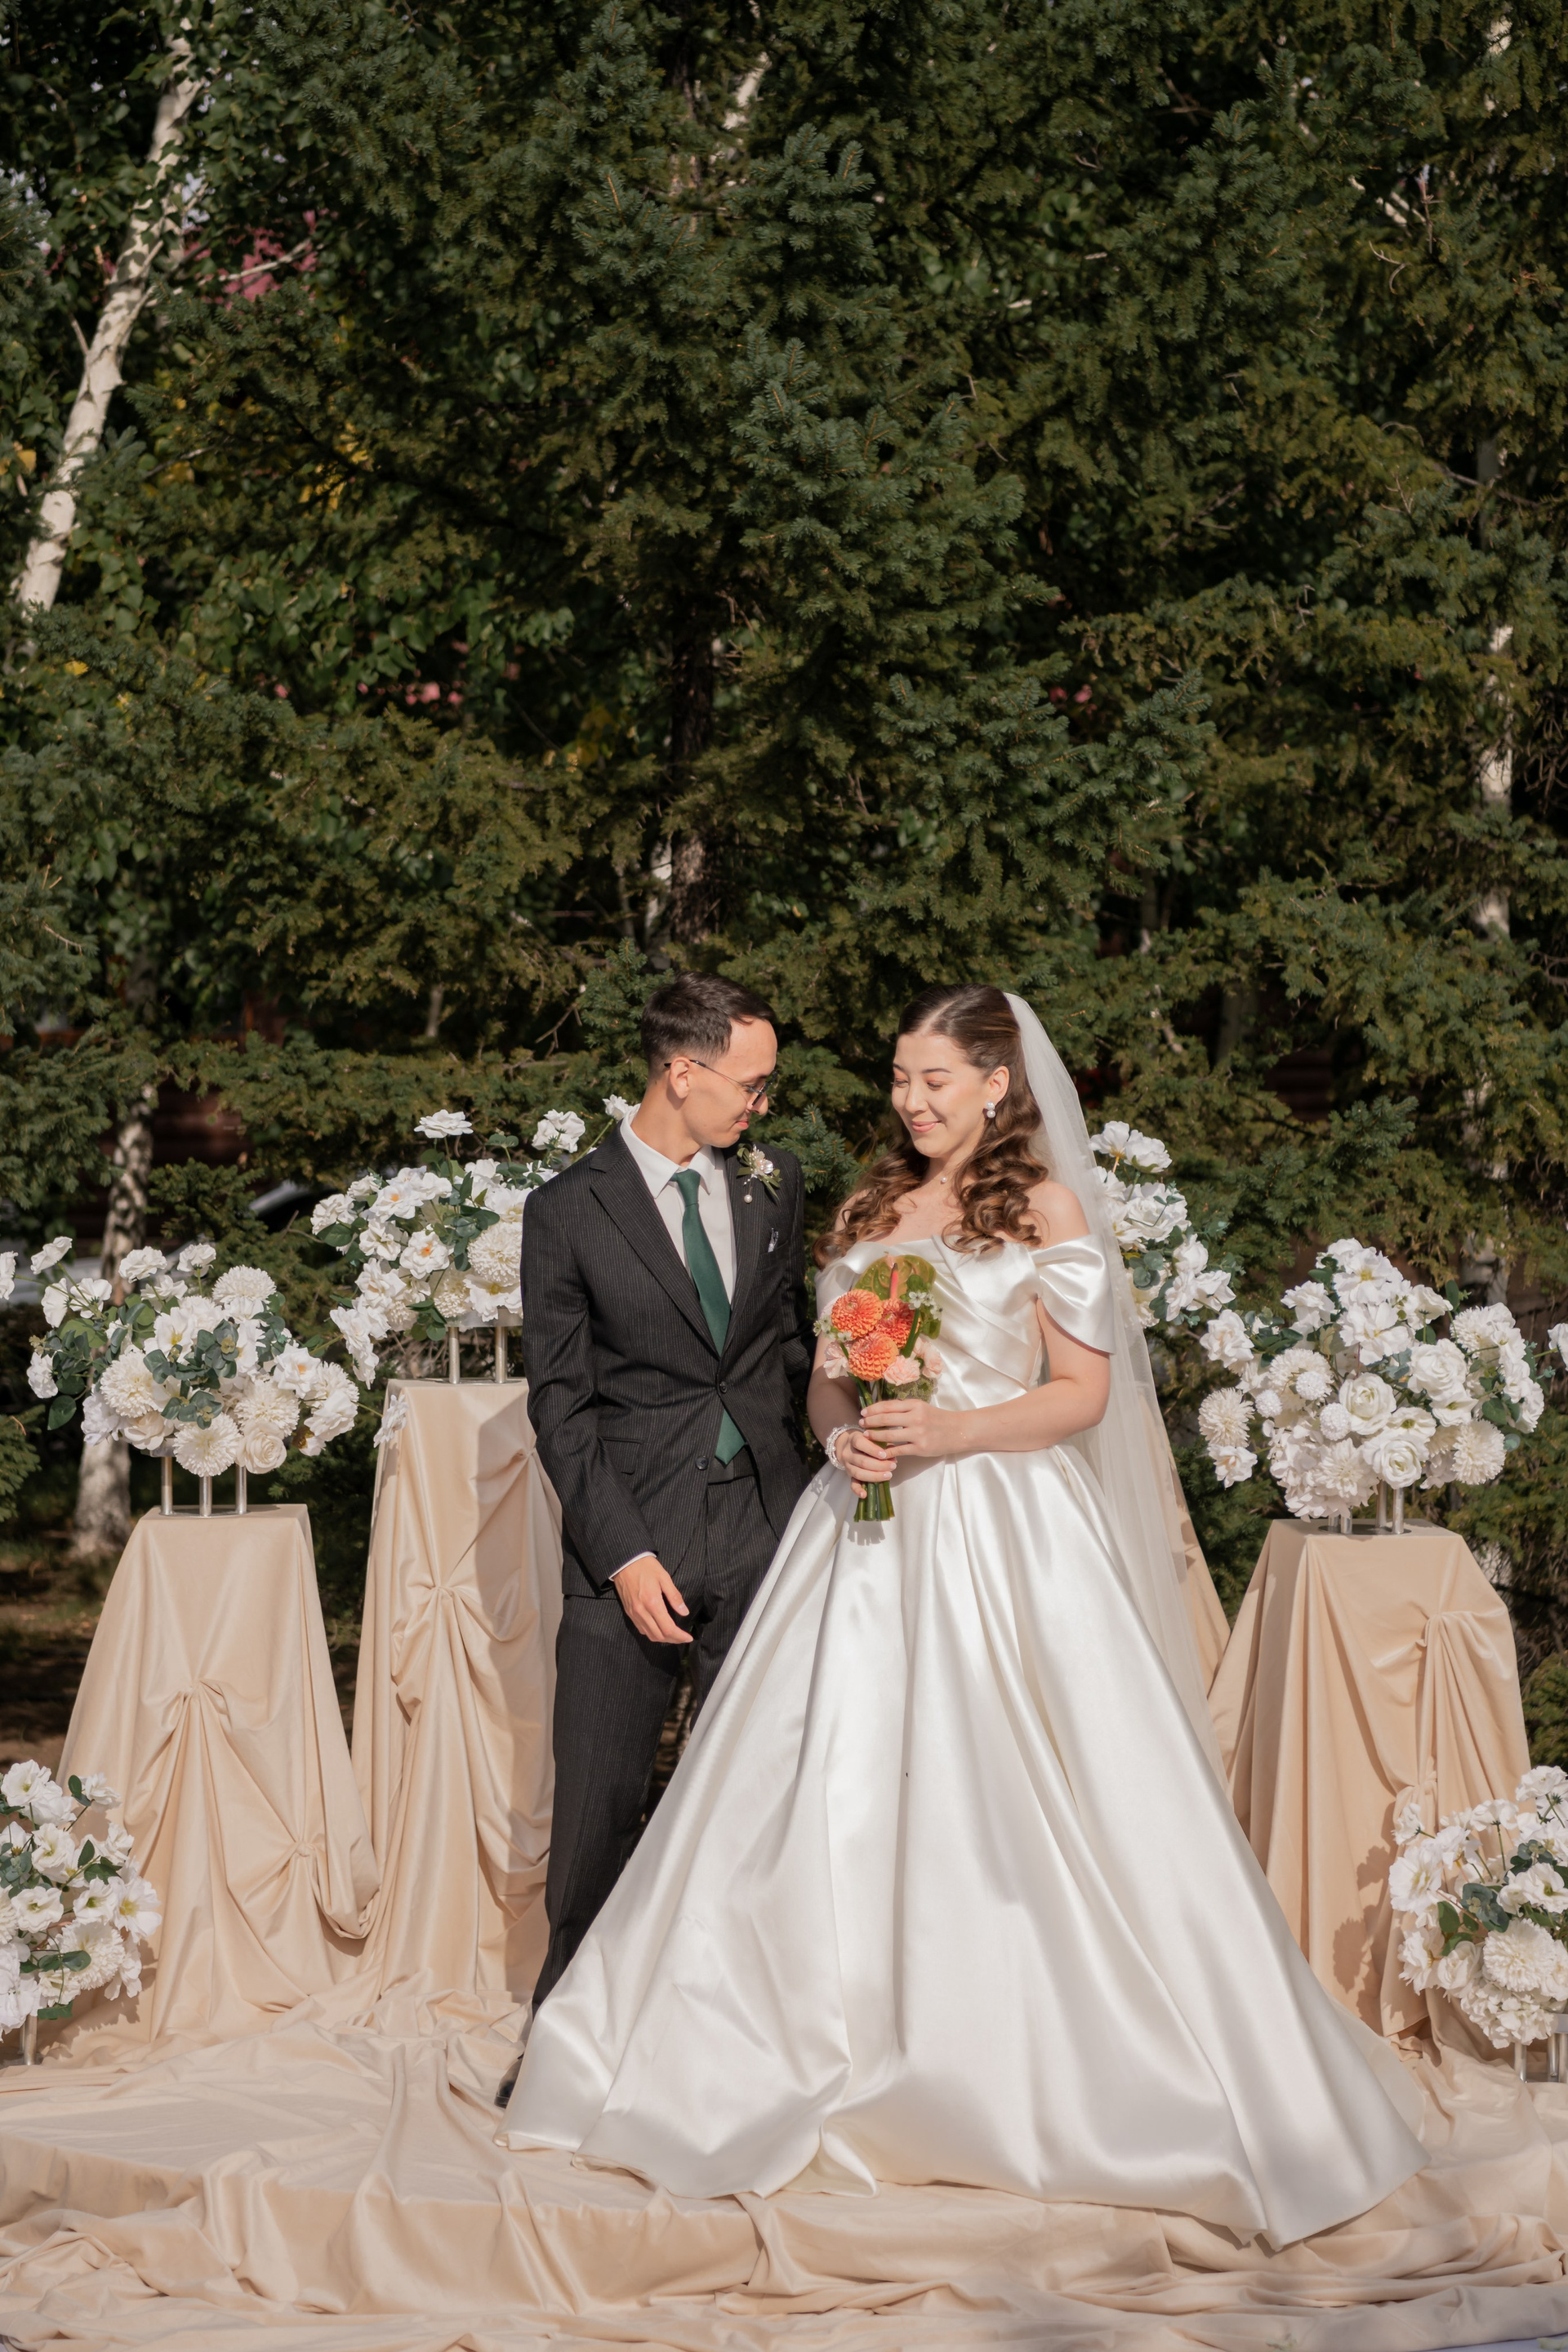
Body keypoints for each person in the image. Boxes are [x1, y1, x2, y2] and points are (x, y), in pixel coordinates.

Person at [499, 983, 1427, 2246]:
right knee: (814, 1787)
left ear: (997, 1082)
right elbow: (822, 1382)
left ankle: (1029, 2067)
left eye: (934, 1079)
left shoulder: (1047, 1208)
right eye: (900, 1078)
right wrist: (846, 1433)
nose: (911, 1101)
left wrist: (953, 1430)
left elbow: (1081, 1395)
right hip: (857, 1534)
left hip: (1004, 1534)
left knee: (1010, 1797)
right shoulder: (865, 1207)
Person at [509, 972, 815, 2089]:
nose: (763, 1105)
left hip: (768, 1531)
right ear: (682, 1073)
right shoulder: (567, 1210)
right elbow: (562, 1407)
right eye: (752, 1083)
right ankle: (562, 2049)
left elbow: (788, 1347)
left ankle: (734, 2055)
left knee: (758, 1802)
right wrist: (624, 1556)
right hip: (629, 1544)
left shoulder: (775, 1184)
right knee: (599, 1808)